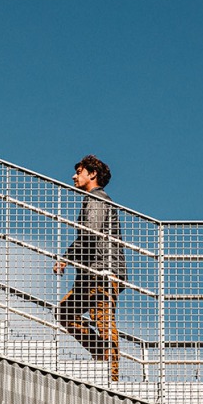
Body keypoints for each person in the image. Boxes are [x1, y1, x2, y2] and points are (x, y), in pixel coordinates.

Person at [54, 154, 126, 380]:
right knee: (65, 312)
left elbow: (90, 233)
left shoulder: (96, 199)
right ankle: (100, 355)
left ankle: (111, 374)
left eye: (79, 171)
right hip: (90, 274)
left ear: (92, 174)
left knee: (102, 319)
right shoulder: (93, 199)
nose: (74, 176)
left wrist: (65, 258)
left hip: (102, 272)